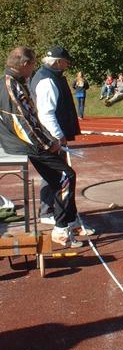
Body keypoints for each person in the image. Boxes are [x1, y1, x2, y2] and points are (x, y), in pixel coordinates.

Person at [0, 46, 83, 247]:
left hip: (22, 141)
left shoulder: (11, 81)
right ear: (25, 64)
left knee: (60, 177)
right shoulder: (11, 85)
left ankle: (69, 221)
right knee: (65, 177)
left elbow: (29, 118)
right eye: (33, 65)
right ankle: (61, 228)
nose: (33, 69)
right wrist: (47, 143)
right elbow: (23, 122)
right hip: (24, 144)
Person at [31, 46, 94, 236]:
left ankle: (61, 216)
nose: (68, 65)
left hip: (49, 137)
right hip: (50, 138)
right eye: (66, 62)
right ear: (58, 62)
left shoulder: (49, 76)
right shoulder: (48, 80)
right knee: (62, 177)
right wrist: (59, 136)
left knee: (56, 176)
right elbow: (46, 113)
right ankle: (61, 219)